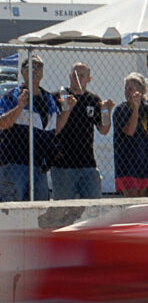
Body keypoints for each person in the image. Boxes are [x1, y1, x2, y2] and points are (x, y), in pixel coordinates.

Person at [0, 55, 62, 202]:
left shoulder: (49, 98)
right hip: (15, 164)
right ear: (22, 71)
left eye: (39, 67)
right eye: (31, 66)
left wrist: (67, 110)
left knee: (40, 208)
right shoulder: (12, 96)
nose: (36, 70)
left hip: (39, 165)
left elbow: (55, 128)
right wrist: (19, 107)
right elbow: (2, 123)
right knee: (13, 207)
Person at [50, 62, 114, 200]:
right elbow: (54, 128)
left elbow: (103, 130)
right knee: (63, 208)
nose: (77, 79)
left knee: (93, 205)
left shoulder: (93, 100)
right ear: (69, 76)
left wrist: (107, 112)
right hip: (63, 165)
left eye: (81, 76)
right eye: (74, 75)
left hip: (88, 163)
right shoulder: (58, 97)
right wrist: (67, 109)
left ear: (89, 79)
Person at [113, 73, 148, 197]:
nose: (127, 92)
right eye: (126, 88)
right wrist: (135, 109)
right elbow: (130, 131)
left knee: (141, 198)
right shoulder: (121, 109)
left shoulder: (147, 109)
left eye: (131, 89)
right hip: (126, 163)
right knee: (132, 197)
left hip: (143, 161)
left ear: (141, 92)